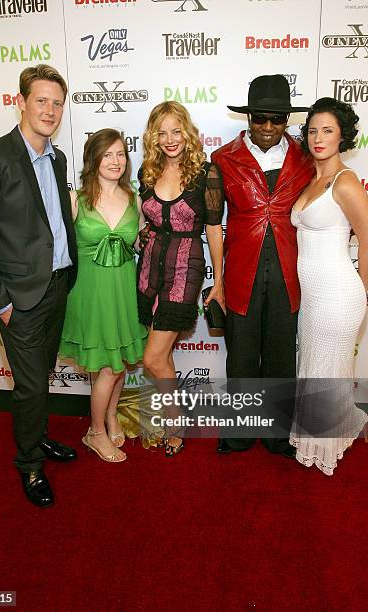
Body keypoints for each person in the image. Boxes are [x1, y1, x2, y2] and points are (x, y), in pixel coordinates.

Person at [0, 64, 78, 508]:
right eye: (41, 100)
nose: (49, 110)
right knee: (28, 385)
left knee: (40, 377)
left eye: (57, 103)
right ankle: (28, 464)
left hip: (58, 286)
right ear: (20, 102)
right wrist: (0, 301)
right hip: (20, 299)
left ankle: (39, 436)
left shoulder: (58, 157)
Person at [211, 74, 315, 457]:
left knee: (281, 356)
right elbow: (211, 223)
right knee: (240, 356)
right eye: (260, 118)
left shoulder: (306, 159)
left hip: (290, 270)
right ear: (248, 117)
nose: (268, 127)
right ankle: (238, 433)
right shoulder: (222, 159)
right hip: (242, 271)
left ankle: (277, 434)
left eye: (277, 119)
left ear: (287, 119)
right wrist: (218, 281)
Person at [289, 97, 368, 475]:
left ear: (342, 136)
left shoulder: (346, 182)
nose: (318, 138)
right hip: (313, 299)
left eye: (327, 130)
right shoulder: (312, 179)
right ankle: (333, 430)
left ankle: (323, 448)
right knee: (317, 367)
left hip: (339, 295)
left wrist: (358, 293)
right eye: (312, 130)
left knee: (325, 369)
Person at [137, 101, 224, 456]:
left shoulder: (206, 173)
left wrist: (219, 281)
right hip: (149, 269)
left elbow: (215, 230)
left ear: (186, 133)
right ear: (153, 138)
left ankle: (175, 421)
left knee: (153, 359)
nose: (170, 139)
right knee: (164, 357)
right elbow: (147, 221)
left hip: (185, 271)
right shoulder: (147, 171)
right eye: (162, 133)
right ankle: (174, 424)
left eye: (176, 131)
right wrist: (142, 236)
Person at [59, 129, 147, 463]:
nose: (115, 161)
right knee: (108, 368)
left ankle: (111, 416)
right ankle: (95, 432)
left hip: (123, 292)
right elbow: (57, 248)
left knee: (120, 361)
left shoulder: (134, 197)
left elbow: (139, 244)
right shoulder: (76, 199)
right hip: (90, 295)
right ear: (93, 158)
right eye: (107, 154)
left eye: (121, 154)